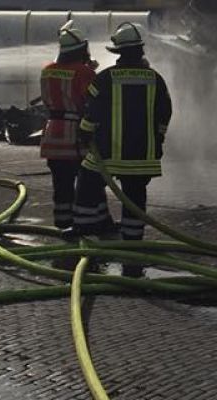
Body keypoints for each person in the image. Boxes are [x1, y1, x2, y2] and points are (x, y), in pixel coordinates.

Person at [75, 22, 172, 277]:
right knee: (135, 197)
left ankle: (89, 233)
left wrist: (84, 132)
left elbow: (92, 110)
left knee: (87, 184)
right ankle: (133, 240)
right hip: (142, 155)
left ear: (118, 52)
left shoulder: (105, 78)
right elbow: (165, 113)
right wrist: (158, 140)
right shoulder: (156, 79)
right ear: (140, 50)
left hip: (106, 153)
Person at [39, 21, 97, 231]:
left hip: (52, 132)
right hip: (75, 135)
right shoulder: (84, 72)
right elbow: (91, 101)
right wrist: (90, 70)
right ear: (81, 48)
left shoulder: (47, 70)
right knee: (86, 182)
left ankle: (62, 221)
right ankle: (84, 223)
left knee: (60, 182)